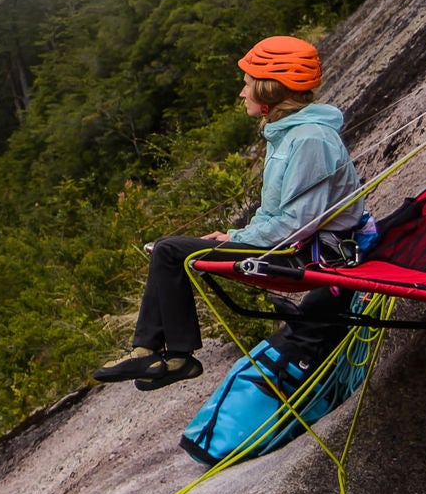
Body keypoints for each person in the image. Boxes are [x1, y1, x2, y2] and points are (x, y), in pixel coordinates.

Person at [93, 36, 363, 390]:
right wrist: (235, 237)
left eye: (248, 84)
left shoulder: (310, 139)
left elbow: (297, 224)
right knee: (166, 250)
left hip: (310, 257)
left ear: (269, 91)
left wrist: (245, 239)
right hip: (295, 247)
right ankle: (154, 352)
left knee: (170, 250)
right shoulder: (288, 136)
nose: (242, 93)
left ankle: (172, 356)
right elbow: (275, 214)